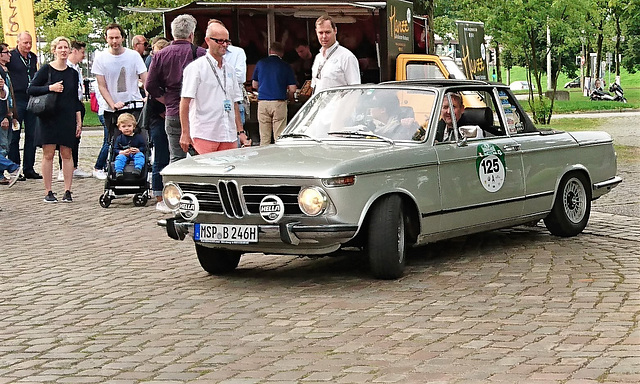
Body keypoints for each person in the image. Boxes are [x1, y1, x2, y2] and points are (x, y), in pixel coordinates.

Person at [179, 21, 251, 155]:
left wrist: (240, 132)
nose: (224, 45)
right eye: (219, 41)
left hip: (228, 133)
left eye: (226, 41)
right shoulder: (196, 68)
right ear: (208, 41)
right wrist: (185, 132)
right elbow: (185, 102)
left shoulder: (229, 69)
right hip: (205, 133)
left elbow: (234, 101)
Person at [27, 36, 83, 203]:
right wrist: (50, 88)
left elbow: (75, 99)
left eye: (66, 47)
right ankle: (48, 190)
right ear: (54, 50)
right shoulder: (46, 69)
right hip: (48, 117)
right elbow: (31, 89)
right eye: (60, 48)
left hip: (66, 117)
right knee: (48, 153)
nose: (63, 50)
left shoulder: (73, 73)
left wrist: (78, 120)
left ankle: (67, 190)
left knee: (67, 152)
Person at [146, 14, 206, 164]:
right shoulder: (201, 54)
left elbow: (150, 85)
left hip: (172, 111)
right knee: (202, 158)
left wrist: (165, 99)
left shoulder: (160, 55)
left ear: (172, 33)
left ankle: (175, 187)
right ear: (191, 34)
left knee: (176, 158)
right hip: (197, 113)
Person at [92, 23, 147, 139]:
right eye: (111, 38)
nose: (114, 41)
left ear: (122, 38)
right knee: (115, 143)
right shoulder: (100, 58)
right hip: (112, 110)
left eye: (117, 37)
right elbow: (102, 85)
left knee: (138, 141)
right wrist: (112, 104)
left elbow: (145, 78)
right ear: (106, 38)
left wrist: (147, 95)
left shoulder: (133, 56)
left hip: (134, 105)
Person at [7, 32, 41, 180]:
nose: (28, 46)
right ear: (18, 42)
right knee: (15, 134)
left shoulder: (33, 57)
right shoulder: (11, 57)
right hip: (17, 99)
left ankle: (29, 168)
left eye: (30, 43)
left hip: (31, 98)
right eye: (25, 43)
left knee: (32, 135)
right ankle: (16, 168)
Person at [57, 40, 91, 181]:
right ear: (75, 51)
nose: (83, 56)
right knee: (65, 138)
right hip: (67, 105)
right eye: (82, 52)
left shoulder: (76, 68)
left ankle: (74, 166)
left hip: (77, 104)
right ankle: (62, 168)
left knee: (76, 136)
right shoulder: (66, 68)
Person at [252, 41, 296, 146]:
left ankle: (264, 160)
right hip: (279, 102)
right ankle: (279, 159)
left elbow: (254, 85)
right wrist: (291, 98)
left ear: (269, 51)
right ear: (282, 53)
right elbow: (293, 89)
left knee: (264, 137)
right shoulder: (285, 66)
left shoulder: (260, 63)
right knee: (279, 137)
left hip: (263, 102)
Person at [311, 15, 360, 94]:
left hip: (340, 105)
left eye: (327, 32)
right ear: (316, 32)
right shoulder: (318, 57)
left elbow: (355, 90)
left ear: (335, 31)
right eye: (320, 33)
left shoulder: (347, 57)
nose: (324, 36)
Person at [113, 113, 145, 179]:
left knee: (140, 155)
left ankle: (138, 169)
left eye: (129, 126)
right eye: (124, 126)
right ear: (119, 128)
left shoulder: (138, 137)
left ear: (134, 126)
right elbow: (115, 149)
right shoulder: (119, 138)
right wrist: (121, 152)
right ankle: (119, 171)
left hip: (135, 153)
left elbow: (144, 147)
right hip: (124, 154)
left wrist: (138, 150)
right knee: (120, 158)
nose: (127, 128)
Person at [0, 43, 18, 160]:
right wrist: (3, 116)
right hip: (3, 114)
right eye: (6, 52)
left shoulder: (6, 71)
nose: (10, 55)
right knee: (3, 146)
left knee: (7, 145)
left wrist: (13, 113)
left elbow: (10, 95)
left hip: (9, 112)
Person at [90, 78, 109, 180]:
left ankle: (105, 165)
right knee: (108, 141)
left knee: (110, 141)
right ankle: (98, 167)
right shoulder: (101, 81)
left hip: (106, 111)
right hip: (105, 111)